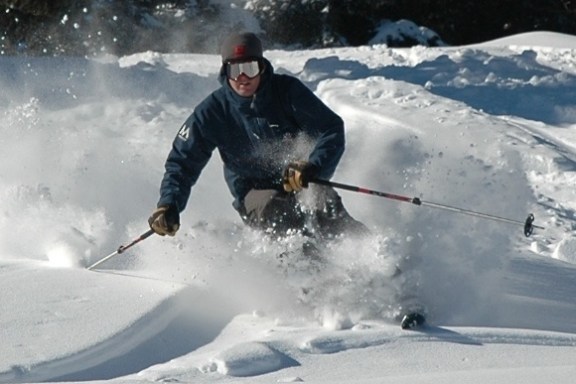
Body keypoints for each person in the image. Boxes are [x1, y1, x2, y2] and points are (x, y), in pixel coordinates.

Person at [148, 32, 367, 241]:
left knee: (323, 205)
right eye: (235, 70)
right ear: (225, 72)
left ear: (261, 68)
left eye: (250, 68)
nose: (243, 78)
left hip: (299, 178)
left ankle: (374, 257)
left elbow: (330, 128)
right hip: (254, 191)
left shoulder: (287, 91)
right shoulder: (212, 112)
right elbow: (182, 162)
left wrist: (314, 166)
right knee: (279, 214)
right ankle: (308, 273)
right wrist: (169, 204)